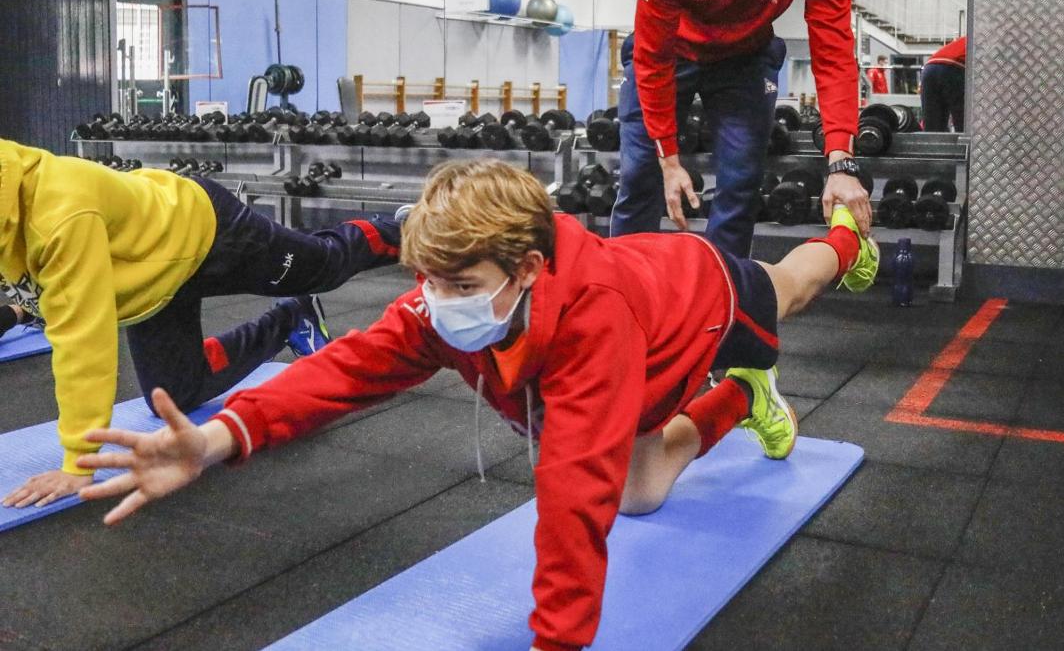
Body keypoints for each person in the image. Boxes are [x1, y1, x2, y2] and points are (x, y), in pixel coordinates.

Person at [77, 158, 880, 651]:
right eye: (427, 280)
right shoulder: (451, 297)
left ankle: (848, 236)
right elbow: (350, 367)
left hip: (698, 293)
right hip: (638, 351)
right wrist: (218, 438)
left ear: (526, 269)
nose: (437, 300)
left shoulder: (592, 325)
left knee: (795, 286)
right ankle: (740, 397)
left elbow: (571, 493)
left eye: (459, 285)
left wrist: (557, 646)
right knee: (639, 496)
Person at [0, 138, 403, 509]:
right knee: (176, 395)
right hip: (153, 281)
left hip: (206, 229)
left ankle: (405, 228)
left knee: (323, 267)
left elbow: (83, 343)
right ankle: (291, 319)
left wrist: (78, 463)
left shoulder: (59, 214)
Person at [611, 0, 870, 261]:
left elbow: (834, 57)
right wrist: (670, 160)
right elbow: (653, 57)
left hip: (745, 58)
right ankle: (623, 280)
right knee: (640, 173)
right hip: (674, 53)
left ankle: (724, 283)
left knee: (742, 178)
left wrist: (841, 161)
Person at [920, 35, 966, 132]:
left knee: (932, 127)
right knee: (964, 126)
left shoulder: (967, 38)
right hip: (954, 67)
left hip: (929, 67)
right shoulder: (983, 39)